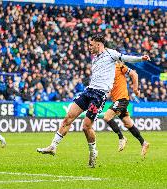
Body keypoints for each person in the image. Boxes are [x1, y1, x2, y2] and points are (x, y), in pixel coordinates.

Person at [37, 34, 150, 168]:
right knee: (68, 117)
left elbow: (126, 58)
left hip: (99, 96)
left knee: (86, 126)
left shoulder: (111, 54)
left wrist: (140, 58)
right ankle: (53, 146)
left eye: (91, 45)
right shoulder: (95, 58)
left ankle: (93, 152)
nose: (89, 47)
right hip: (88, 91)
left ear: (98, 44)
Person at [103, 62, 149, 155]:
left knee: (107, 117)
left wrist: (135, 90)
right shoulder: (107, 71)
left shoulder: (118, 65)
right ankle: (143, 143)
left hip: (122, 99)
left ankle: (121, 137)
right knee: (128, 124)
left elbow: (134, 74)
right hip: (117, 100)